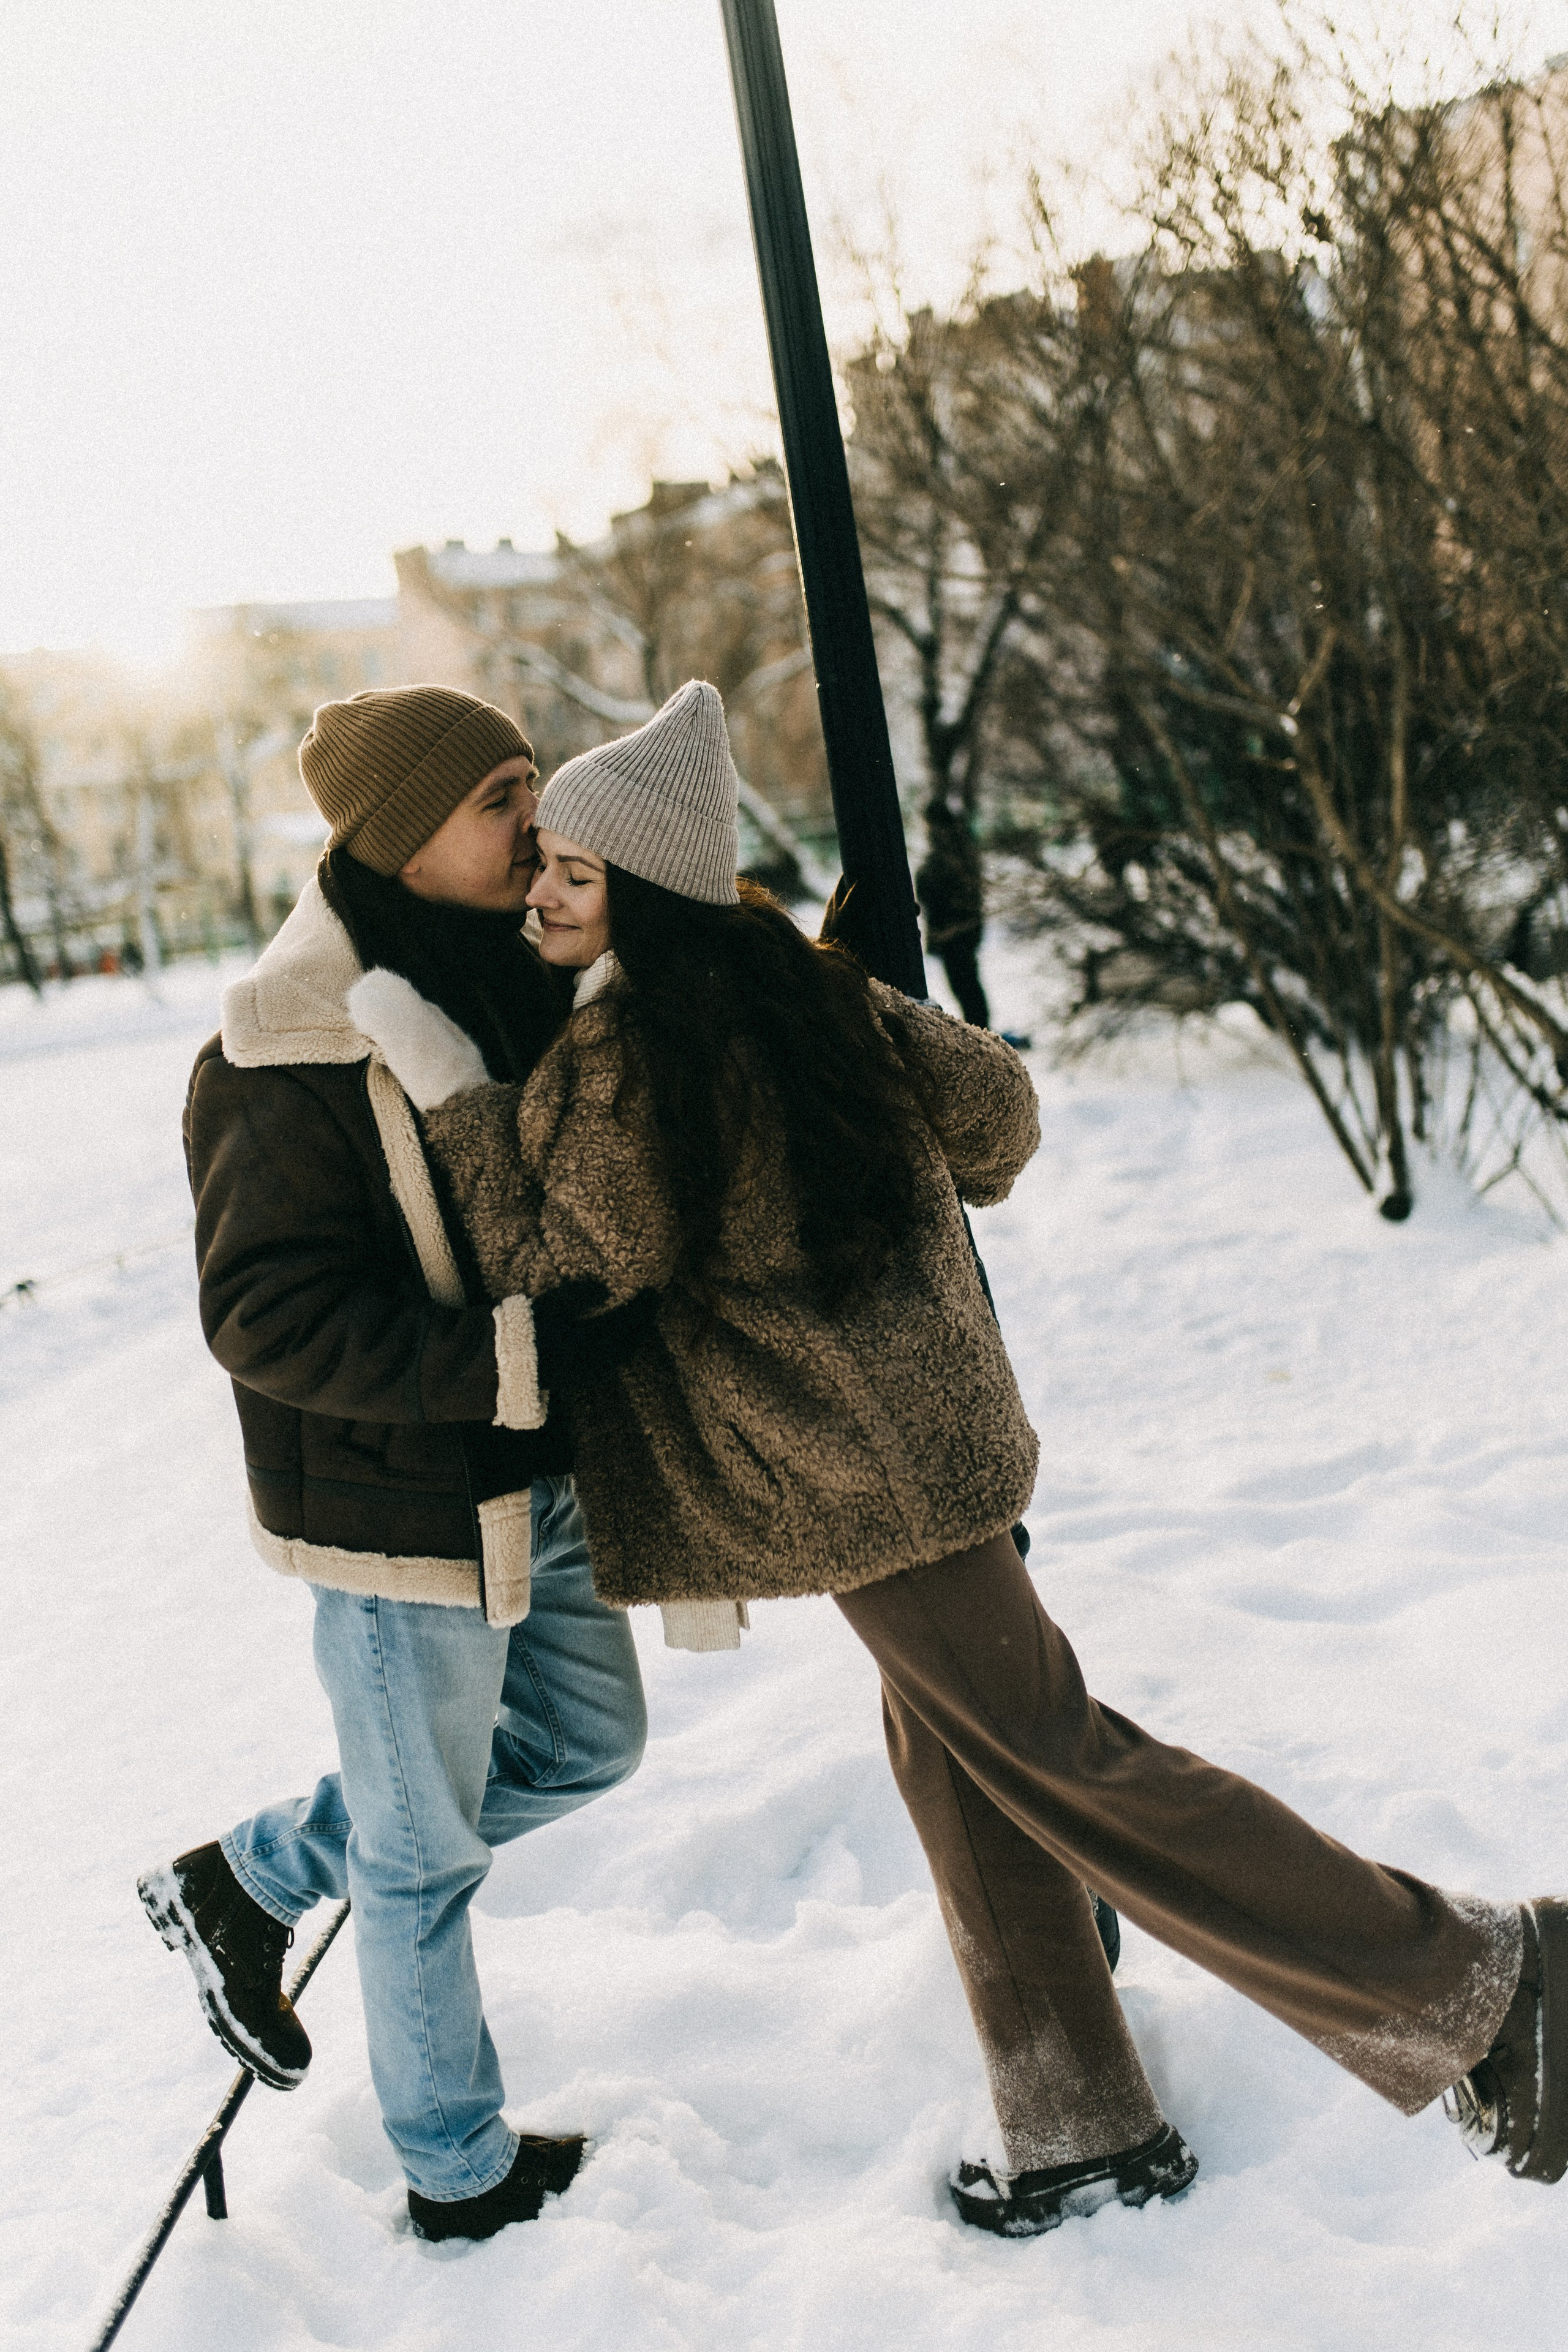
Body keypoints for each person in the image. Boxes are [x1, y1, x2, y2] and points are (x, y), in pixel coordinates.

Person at [355, 677, 1566, 2238]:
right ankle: (1075, 2121)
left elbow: (566, 1249)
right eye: (543, 864)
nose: (540, 889)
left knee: (1066, 1759)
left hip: (849, 1473)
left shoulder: (640, 1049)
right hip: (921, 1444)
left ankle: (1490, 1982)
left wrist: (455, 1091)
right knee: (967, 1755)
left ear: (645, 890)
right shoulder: (805, 994)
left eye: (572, 871)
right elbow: (994, 1120)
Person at [140, 687, 655, 2244]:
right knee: (421, 1855)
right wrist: (497, 1360)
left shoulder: (523, 977)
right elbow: (262, 1313)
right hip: (398, 1512)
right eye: (501, 795)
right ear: (397, 831)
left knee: (588, 1745)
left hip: (537, 1477)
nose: (533, 820)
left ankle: (250, 1873)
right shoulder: (280, 1047)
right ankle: (456, 2172)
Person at [915, 795, 989, 1028]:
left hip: (952, 931)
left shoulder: (944, 849)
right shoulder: (963, 844)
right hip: (965, 927)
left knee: (965, 988)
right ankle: (981, 1031)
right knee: (969, 987)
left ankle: (981, 1035)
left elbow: (934, 886)